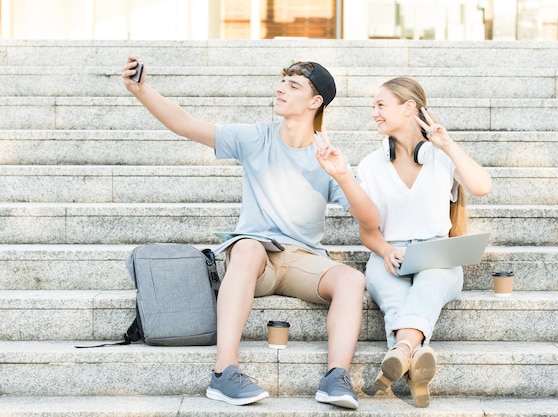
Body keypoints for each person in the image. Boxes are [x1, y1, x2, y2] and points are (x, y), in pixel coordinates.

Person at [121, 58, 380, 410]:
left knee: (351, 278)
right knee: (248, 249)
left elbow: (370, 220)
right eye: (282, 81)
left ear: (315, 102)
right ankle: (224, 371)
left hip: (302, 261)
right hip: (256, 257)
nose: (280, 88)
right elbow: (185, 124)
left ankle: (336, 377)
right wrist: (141, 90)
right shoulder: (256, 137)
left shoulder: (327, 154)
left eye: (293, 85)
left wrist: (343, 176)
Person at [356, 77, 492, 407]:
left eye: (380, 105)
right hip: (389, 252)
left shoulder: (442, 158)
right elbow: (367, 231)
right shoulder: (370, 166)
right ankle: (415, 362)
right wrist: (386, 250)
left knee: (428, 286)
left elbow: (482, 186)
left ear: (408, 108)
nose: (374, 113)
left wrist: (448, 145)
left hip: (437, 252)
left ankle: (400, 352)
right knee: (393, 298)